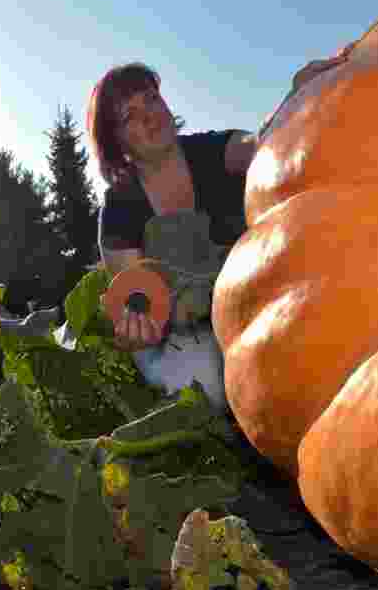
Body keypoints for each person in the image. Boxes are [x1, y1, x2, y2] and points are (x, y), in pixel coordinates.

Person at [87, 53, 348, 410]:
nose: (150, 116)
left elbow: (262, 144)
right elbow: (137, 302)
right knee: (211, 381)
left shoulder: (212, 151)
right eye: (130, 116)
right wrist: (137, 333)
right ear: (116, 142)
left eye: (151, 99)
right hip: (180, 338)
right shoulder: (119, 208)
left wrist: (297, 95)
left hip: (251, 307)